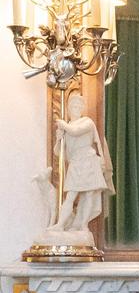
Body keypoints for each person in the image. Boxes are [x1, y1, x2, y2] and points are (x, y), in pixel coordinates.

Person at [51, 92, 114, 233]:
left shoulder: (87, 122)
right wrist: (58, 139)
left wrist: (64, 126)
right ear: (68, 107)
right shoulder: (66, 127)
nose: (76, 107)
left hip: (89, 161)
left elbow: (76, 131)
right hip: (75, 163)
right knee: (71, 196)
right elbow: (58, 152)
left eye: (79, 105)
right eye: (73, 105)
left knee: (89, 194)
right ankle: (60, 224)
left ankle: (83, 225)